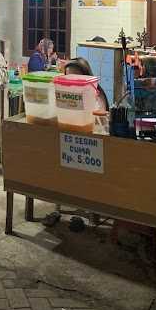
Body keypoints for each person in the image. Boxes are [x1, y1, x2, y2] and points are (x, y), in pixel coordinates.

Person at [43, 56, 109, 227]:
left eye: (75, 77)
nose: (72, 82)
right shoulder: (67, 92)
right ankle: (61, 209)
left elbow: (99, 118)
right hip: (70, 141)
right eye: (68, 77)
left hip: (91, 145)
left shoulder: (96, 93)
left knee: (88, 182)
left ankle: (90, 213)